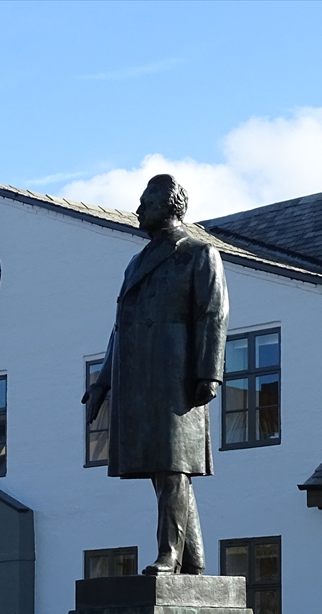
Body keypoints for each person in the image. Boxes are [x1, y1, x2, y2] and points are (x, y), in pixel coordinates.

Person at [82, 175, 229, 575]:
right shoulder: (136, 262)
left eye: (146, 200)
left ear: (169, 204)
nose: (138, 208)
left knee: (172, 468)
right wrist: (102, 383)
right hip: (139, 376)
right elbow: (121, 327)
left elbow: (213, 316)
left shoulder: (199, 253)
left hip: (175, 376)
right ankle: (194, 561)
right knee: (166, 470)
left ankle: (169, 554)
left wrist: (209, 374)